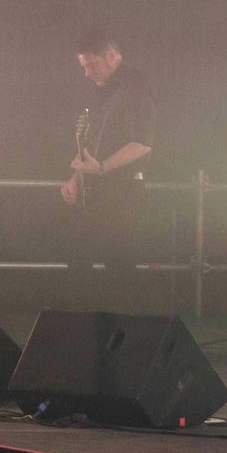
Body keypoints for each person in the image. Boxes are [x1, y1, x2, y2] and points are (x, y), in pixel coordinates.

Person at [58, 29, 156, 311]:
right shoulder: (103, 92)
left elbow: (142, 144)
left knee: (115, 259)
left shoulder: (136, 88)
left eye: (92, 65)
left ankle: (124, 322)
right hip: (99, 186)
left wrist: (100, 167)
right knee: (84, 253)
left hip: (124, 188)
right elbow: (94, 145)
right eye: (84, 66)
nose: (87, 72)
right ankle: (87, 319)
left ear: (111, 56)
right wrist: (77, 177)